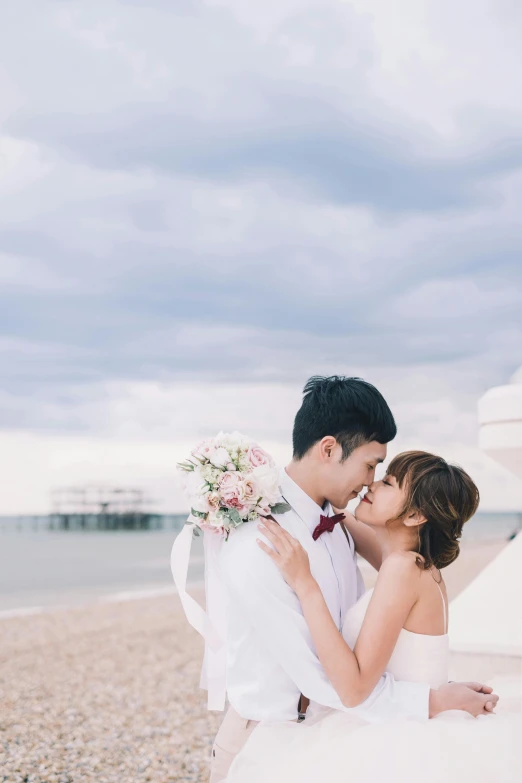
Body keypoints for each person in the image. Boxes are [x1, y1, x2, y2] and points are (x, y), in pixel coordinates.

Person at [210, 376, 499, 782]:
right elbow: (330, 679)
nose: (370, 482)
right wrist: (430, 698)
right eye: (371, 465)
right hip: (266, 740)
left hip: (337, 733)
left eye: (382, 474)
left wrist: (430, 687)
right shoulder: (265, 545)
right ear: (328, 449)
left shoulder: (344, 526)